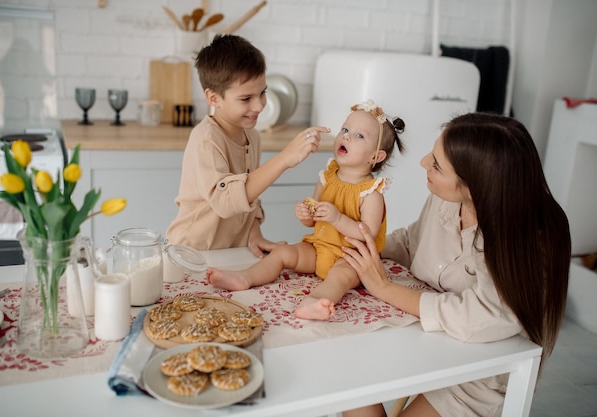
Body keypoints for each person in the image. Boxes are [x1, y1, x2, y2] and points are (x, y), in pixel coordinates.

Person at [340, 112, 571, 417]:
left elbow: (481, 316)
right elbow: (412, 242)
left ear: (475, 186)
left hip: (478, 375)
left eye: (436, 164)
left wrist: (383, 287)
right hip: (429, 345)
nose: (423, 162)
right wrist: (353, 247)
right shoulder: (448, 197)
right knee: (346, 374)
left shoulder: (529, 237)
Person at [207, 100, 405, 320]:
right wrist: (306, 214)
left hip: (351, 258)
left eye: (359, 136)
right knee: (281, 253)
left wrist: (338, 218)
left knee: (338, 278)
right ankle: (244, 277)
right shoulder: (327, 176)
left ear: (375, 157)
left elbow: (367, 233)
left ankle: (313, 302)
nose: (346, 136)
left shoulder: (371, 193)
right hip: (319, 249)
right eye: (345, 129)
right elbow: (314, 219)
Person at [165, 34, 328, 258]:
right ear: (214, 98)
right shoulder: (206, 140)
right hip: (191, 253)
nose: (259, 105)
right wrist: (284, 159)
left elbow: (250, 195)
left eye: (262, 93)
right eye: (246, 99)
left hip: (230, 252)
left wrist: (255, 234)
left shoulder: (252, 136)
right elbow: (226, 201)